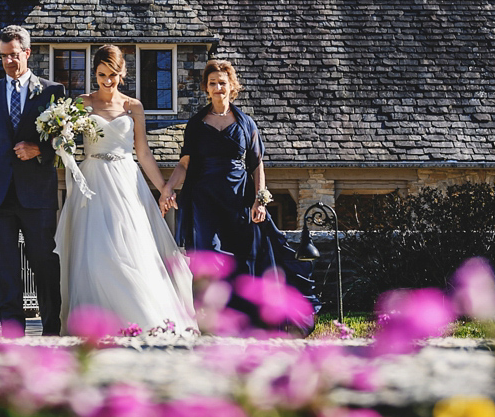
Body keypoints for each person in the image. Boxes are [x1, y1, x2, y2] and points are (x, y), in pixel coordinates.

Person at [160, 59, 319, 324]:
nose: (217, 87)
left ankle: (244, 318)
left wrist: (260, 200)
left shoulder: (246, 124)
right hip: (204, 200)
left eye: (222, 83)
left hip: (238, 199)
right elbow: (184, 164)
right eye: (212, 83)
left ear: (231, 86)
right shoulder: (196, 124)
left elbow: (257, 165)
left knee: (243, 257)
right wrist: (168, 188)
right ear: (206, 88)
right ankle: (211, 319)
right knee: (209, 256)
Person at [54, 45, 196, 334]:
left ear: (123, 73)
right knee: (93, 252)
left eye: (113, 75)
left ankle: (141, 318)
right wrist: (61, 143)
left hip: (125, 181)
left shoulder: (134, 106)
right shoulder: (81, 103)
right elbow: (64, 141)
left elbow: (142, 153)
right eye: (101, 74)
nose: (107, 81)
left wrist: (163, 189)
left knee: (131, 247)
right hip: (91, 182)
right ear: (94, 73)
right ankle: (95, 323)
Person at [0, 25, 65, 337]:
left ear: (27, 52)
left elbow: (65, 141)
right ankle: (13, 334)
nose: (9, 61)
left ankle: (51, 331)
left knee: (43, 264)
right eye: (3, 56)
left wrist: (39, 148)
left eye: (14, 55)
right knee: (5, 267)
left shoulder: (52, 92)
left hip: (36, 193)